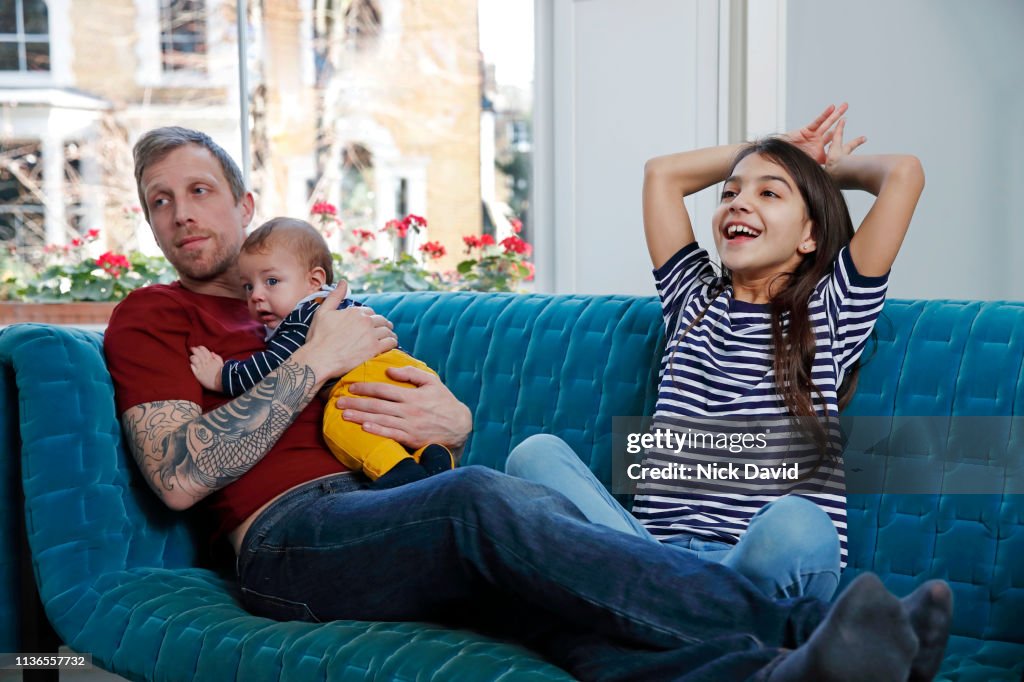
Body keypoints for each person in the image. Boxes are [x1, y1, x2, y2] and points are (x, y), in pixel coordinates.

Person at [103, 124, 952, 681]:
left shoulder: (323, 301)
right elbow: (180, 476)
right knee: (482, 501)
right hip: (291, 540)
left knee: (563, 614)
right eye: (159, 201)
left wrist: (453, 421)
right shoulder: (156, 317)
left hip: (389, 510)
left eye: (199, 190)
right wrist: (315, 359)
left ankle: (782, 673)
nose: (180, 213)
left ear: (246, 204)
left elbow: (424, 430)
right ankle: (801, 621)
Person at [506, 103, 923, 603]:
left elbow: (904, 174)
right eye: (730, 191)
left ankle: (662, 609)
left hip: (754, 565)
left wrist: (819, 169)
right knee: (533, 457)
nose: (739, 202)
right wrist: (776, 153)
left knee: (800, 523)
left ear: (810, 235)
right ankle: (694, 614)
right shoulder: (691, 302)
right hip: (652, 552)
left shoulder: (828, 312)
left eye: (769, 193)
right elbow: (662, 174)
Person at [187, 216, 454, 489]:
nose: (255, 295)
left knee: (341, 425)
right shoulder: (343, 306)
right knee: (394, 427)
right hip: (405, 368)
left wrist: (222, 375)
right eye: (248, 286)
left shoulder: (304, 318)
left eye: (271, 281)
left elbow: (270, 370)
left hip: (367, 375)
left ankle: (397, 471)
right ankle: (431, 455)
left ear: (314, 281)